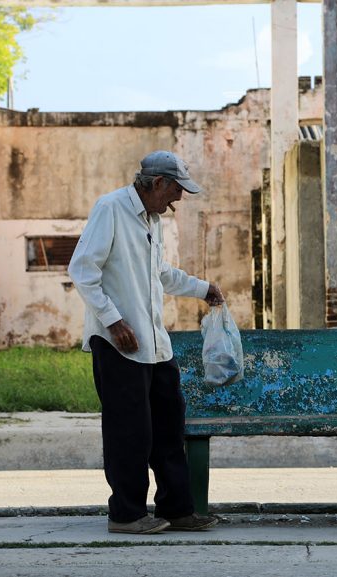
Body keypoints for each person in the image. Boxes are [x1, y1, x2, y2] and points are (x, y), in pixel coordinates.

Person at [69, 151, 224, 534]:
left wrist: (204, 289)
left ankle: (177, 509)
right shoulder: (111, 209)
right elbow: (82, 269)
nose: (178, 200)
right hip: (119, 343)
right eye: (175, 191)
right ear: (157, 183)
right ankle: (126, 514)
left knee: (168, 429)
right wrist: (113, 320)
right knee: (129, 434)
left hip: (155, 345)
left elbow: (161, 275)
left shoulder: (151, 219)